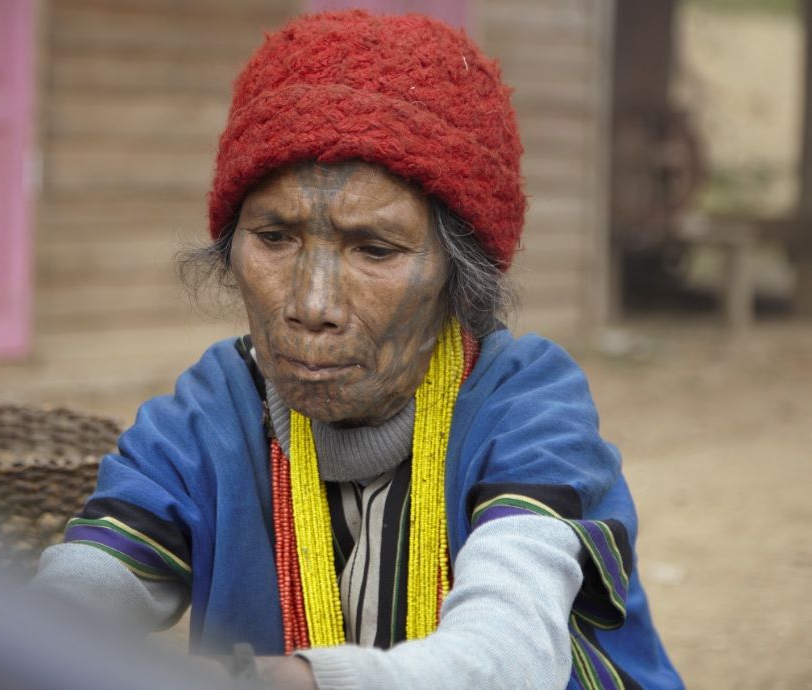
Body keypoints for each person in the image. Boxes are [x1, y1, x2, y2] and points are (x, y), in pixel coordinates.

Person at [33, 10, 684, 690]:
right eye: (274, 237)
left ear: (457, 277)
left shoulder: (524, 411)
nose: (311, 305)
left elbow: (512, 646)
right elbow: (83, 589)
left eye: (374, 249)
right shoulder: (210, 417)